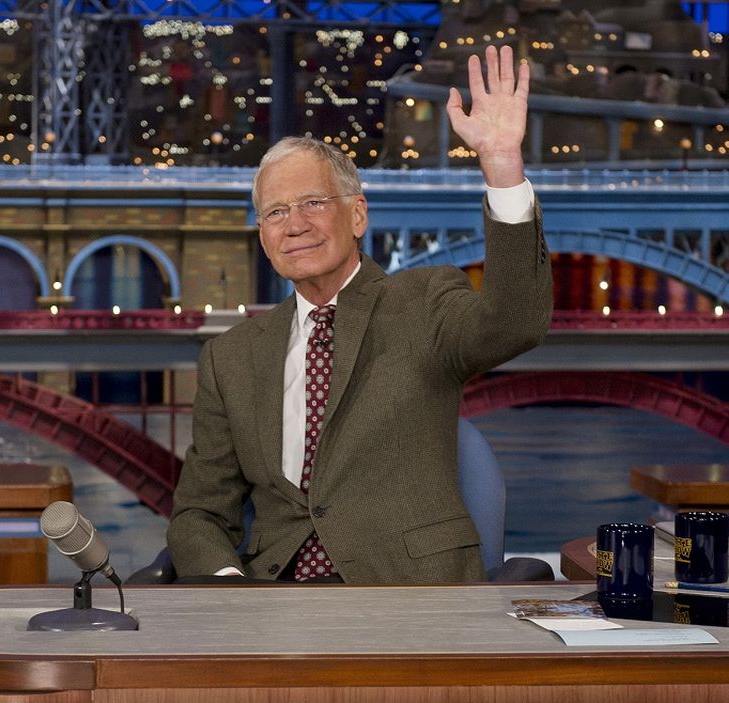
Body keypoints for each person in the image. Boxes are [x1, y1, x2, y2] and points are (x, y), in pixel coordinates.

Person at [167, 45, 553, 584]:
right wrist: (232, 591)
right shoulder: (230, 358)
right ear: (263, 235)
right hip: (275, 602)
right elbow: (199, 514)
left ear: (357, 215)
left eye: (313, 203)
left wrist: (502, 166)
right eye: (276, 212)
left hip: (408, 594)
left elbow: (515, 322)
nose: (294, 225)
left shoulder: (424, 302)